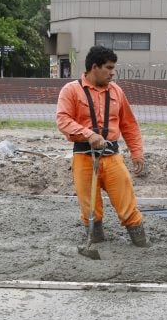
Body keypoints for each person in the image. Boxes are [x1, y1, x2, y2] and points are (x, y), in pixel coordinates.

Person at [56, 45, 149, 247]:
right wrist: (88, 134)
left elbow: (129, 124)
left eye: (113, 68)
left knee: (127, 203)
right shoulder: (71, 90)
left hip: (112, 156)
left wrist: (137, 152)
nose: (112, 73)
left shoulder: (116, 91)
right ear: (94, 67)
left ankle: (141, 243)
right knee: (90, 208)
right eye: (108, 68)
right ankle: (97, 244)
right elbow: (62, 120)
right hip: (84, 156)